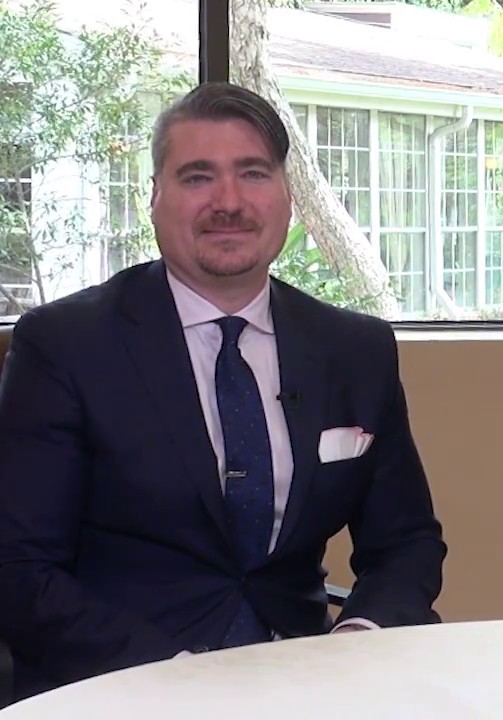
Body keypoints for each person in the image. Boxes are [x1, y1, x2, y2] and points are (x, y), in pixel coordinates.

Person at [0, 82, 447, 699]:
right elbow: (19, 568)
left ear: (286, 198)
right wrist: (179, 675)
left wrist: (358, 641)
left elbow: (406, 543)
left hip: (302, 682)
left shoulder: (355, 348)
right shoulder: (65, 345)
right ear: (154, 197)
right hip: (121, 685)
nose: (229, 202)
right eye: (197, 177)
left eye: (253, 174)